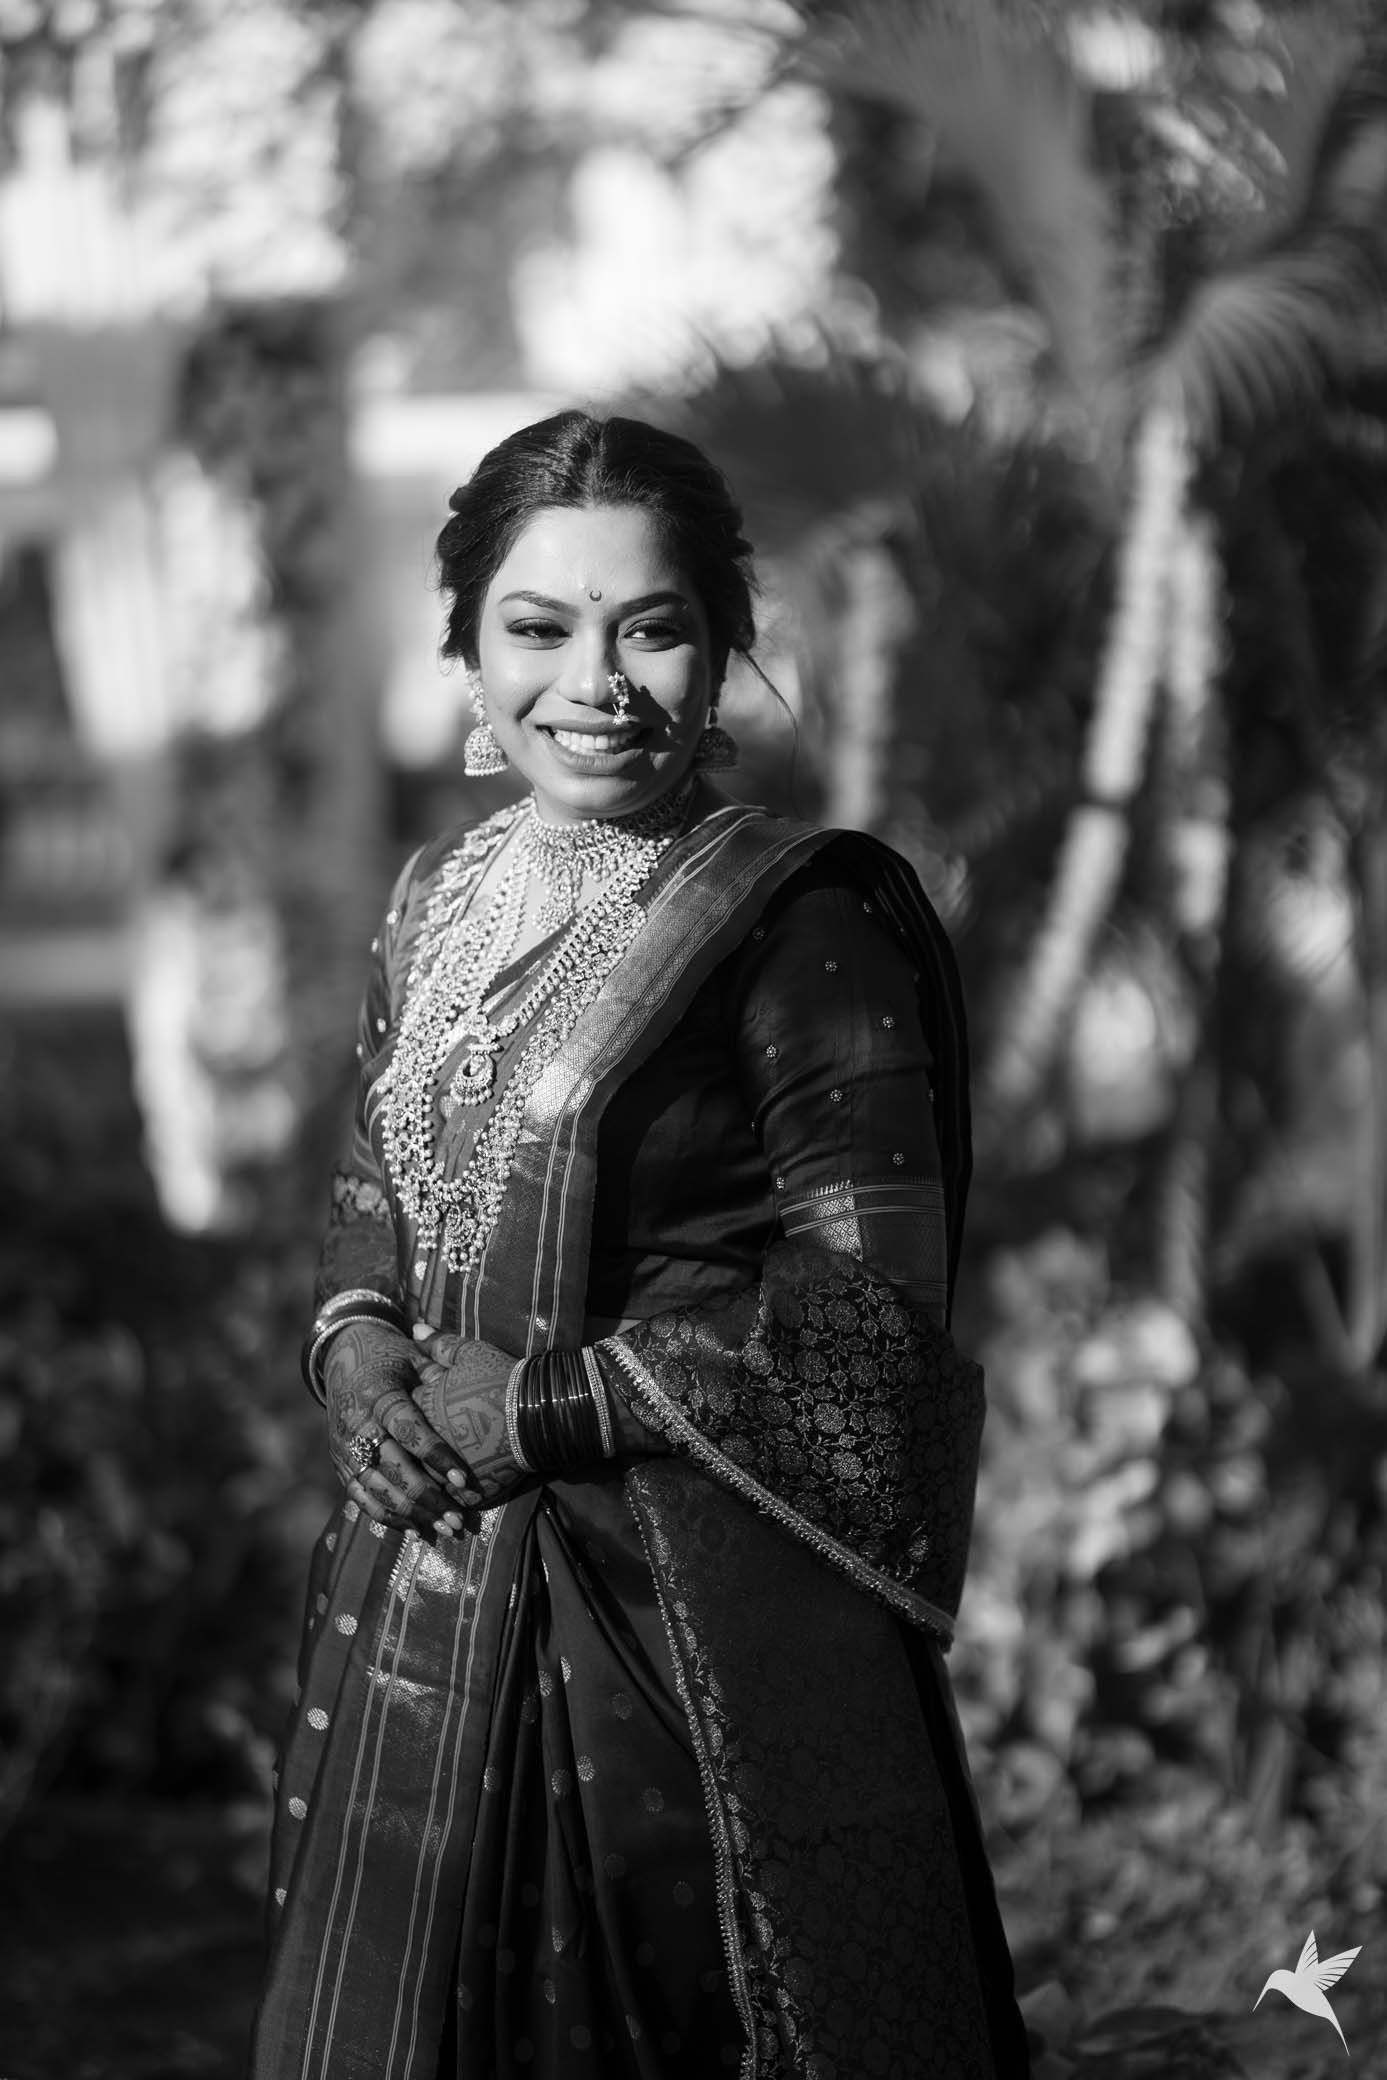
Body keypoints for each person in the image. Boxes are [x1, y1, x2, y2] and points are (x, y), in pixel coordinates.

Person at [249, 409, 1030, 2080]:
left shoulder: (802, 920)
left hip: (685, 1639)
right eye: (539, 628)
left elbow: (868, 1321)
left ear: (724, 645)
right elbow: (376, 1179)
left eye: (651, 628)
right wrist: (361, 1352)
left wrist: (535, 1411)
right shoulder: (436, 900)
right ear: (467, 650)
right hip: (421, 1591)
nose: (594, 683)